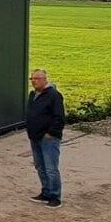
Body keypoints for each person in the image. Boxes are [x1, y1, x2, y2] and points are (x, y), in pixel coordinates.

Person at [26, 68, 65, 208]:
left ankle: (55, 196)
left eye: (36, 79)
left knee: (50, 167)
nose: (33, 82)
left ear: (44, 80)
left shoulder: (54, 95)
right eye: (32, 79)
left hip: (48, 138)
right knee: (40, 166)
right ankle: (46, 192)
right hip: (34, 136)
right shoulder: (33, 95)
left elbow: (59, 117)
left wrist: (51, 133)